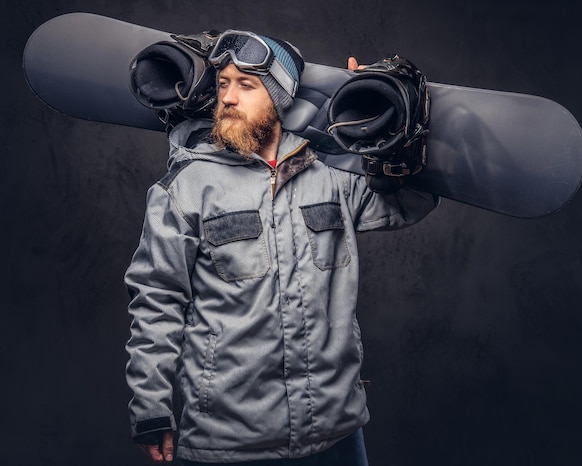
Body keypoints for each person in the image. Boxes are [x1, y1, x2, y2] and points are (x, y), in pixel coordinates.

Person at [125, 29, 437, 465]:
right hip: (228, 441)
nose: (228, 98)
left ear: (280, 97)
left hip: (336, 434)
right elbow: (157, 300)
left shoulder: (330, 175)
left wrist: (381, 120)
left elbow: (410, 202)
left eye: (246, 85)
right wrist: (152, 408)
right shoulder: (186, 187)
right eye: (223, 85)